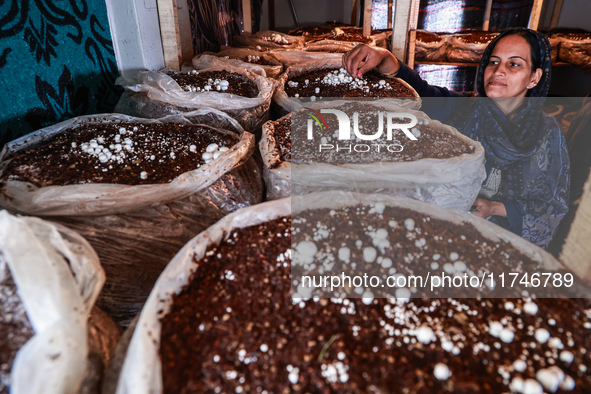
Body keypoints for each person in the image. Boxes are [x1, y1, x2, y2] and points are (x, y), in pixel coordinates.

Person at [342, 28, 570, 250]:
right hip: (449, 235)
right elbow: (423, 93)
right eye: (493, 61)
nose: (498, 70)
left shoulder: (547, 133)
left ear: (534, 77)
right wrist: (385, 59)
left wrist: (494, 208)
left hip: (506, 245)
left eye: (514, 64)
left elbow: (553, 206)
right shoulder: (466, 109)